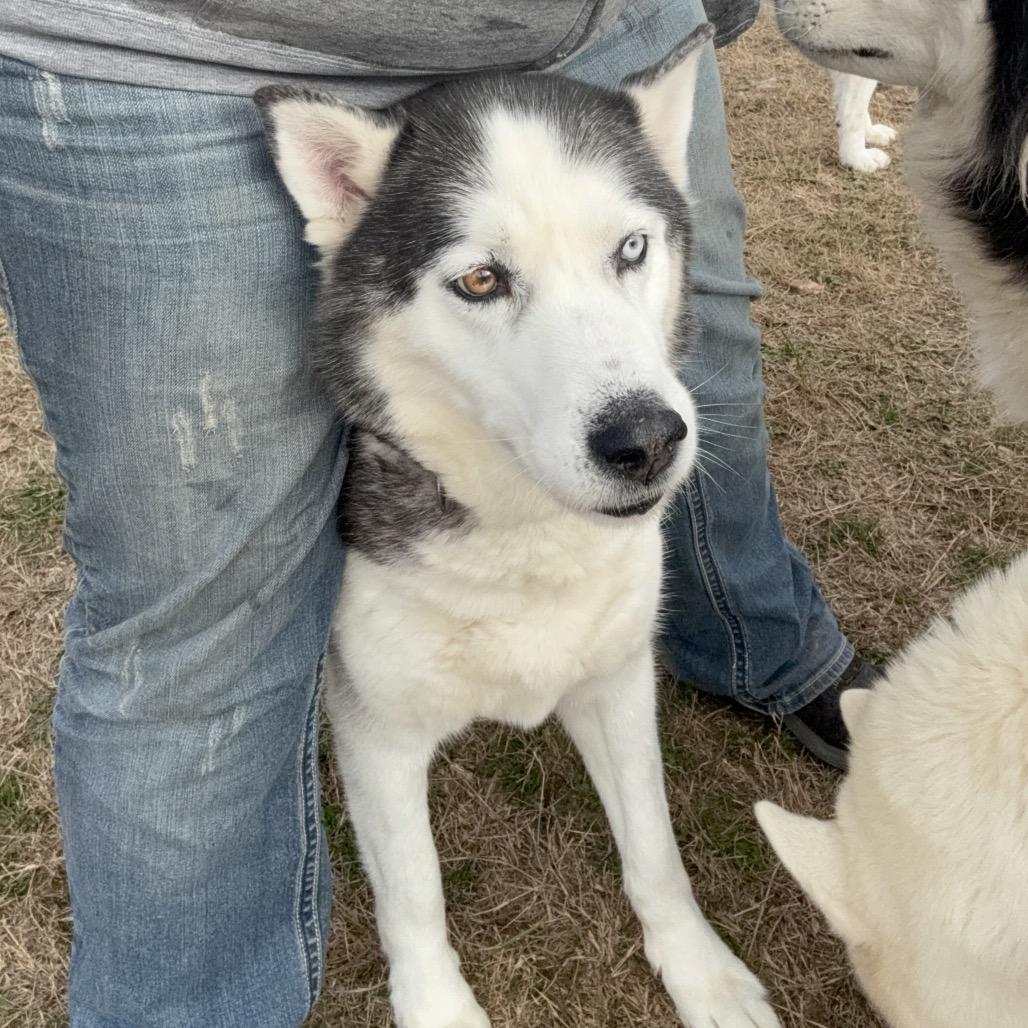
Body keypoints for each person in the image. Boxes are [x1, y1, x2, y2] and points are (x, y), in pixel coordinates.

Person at [0, 1, 876, 1024]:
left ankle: (740, 693)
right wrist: (424, 962)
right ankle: (395, 968)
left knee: (645, 536)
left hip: (593, 24)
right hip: (168, 43)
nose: (627, 406)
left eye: (627, 252)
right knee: (197, 624)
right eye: (481, 280)